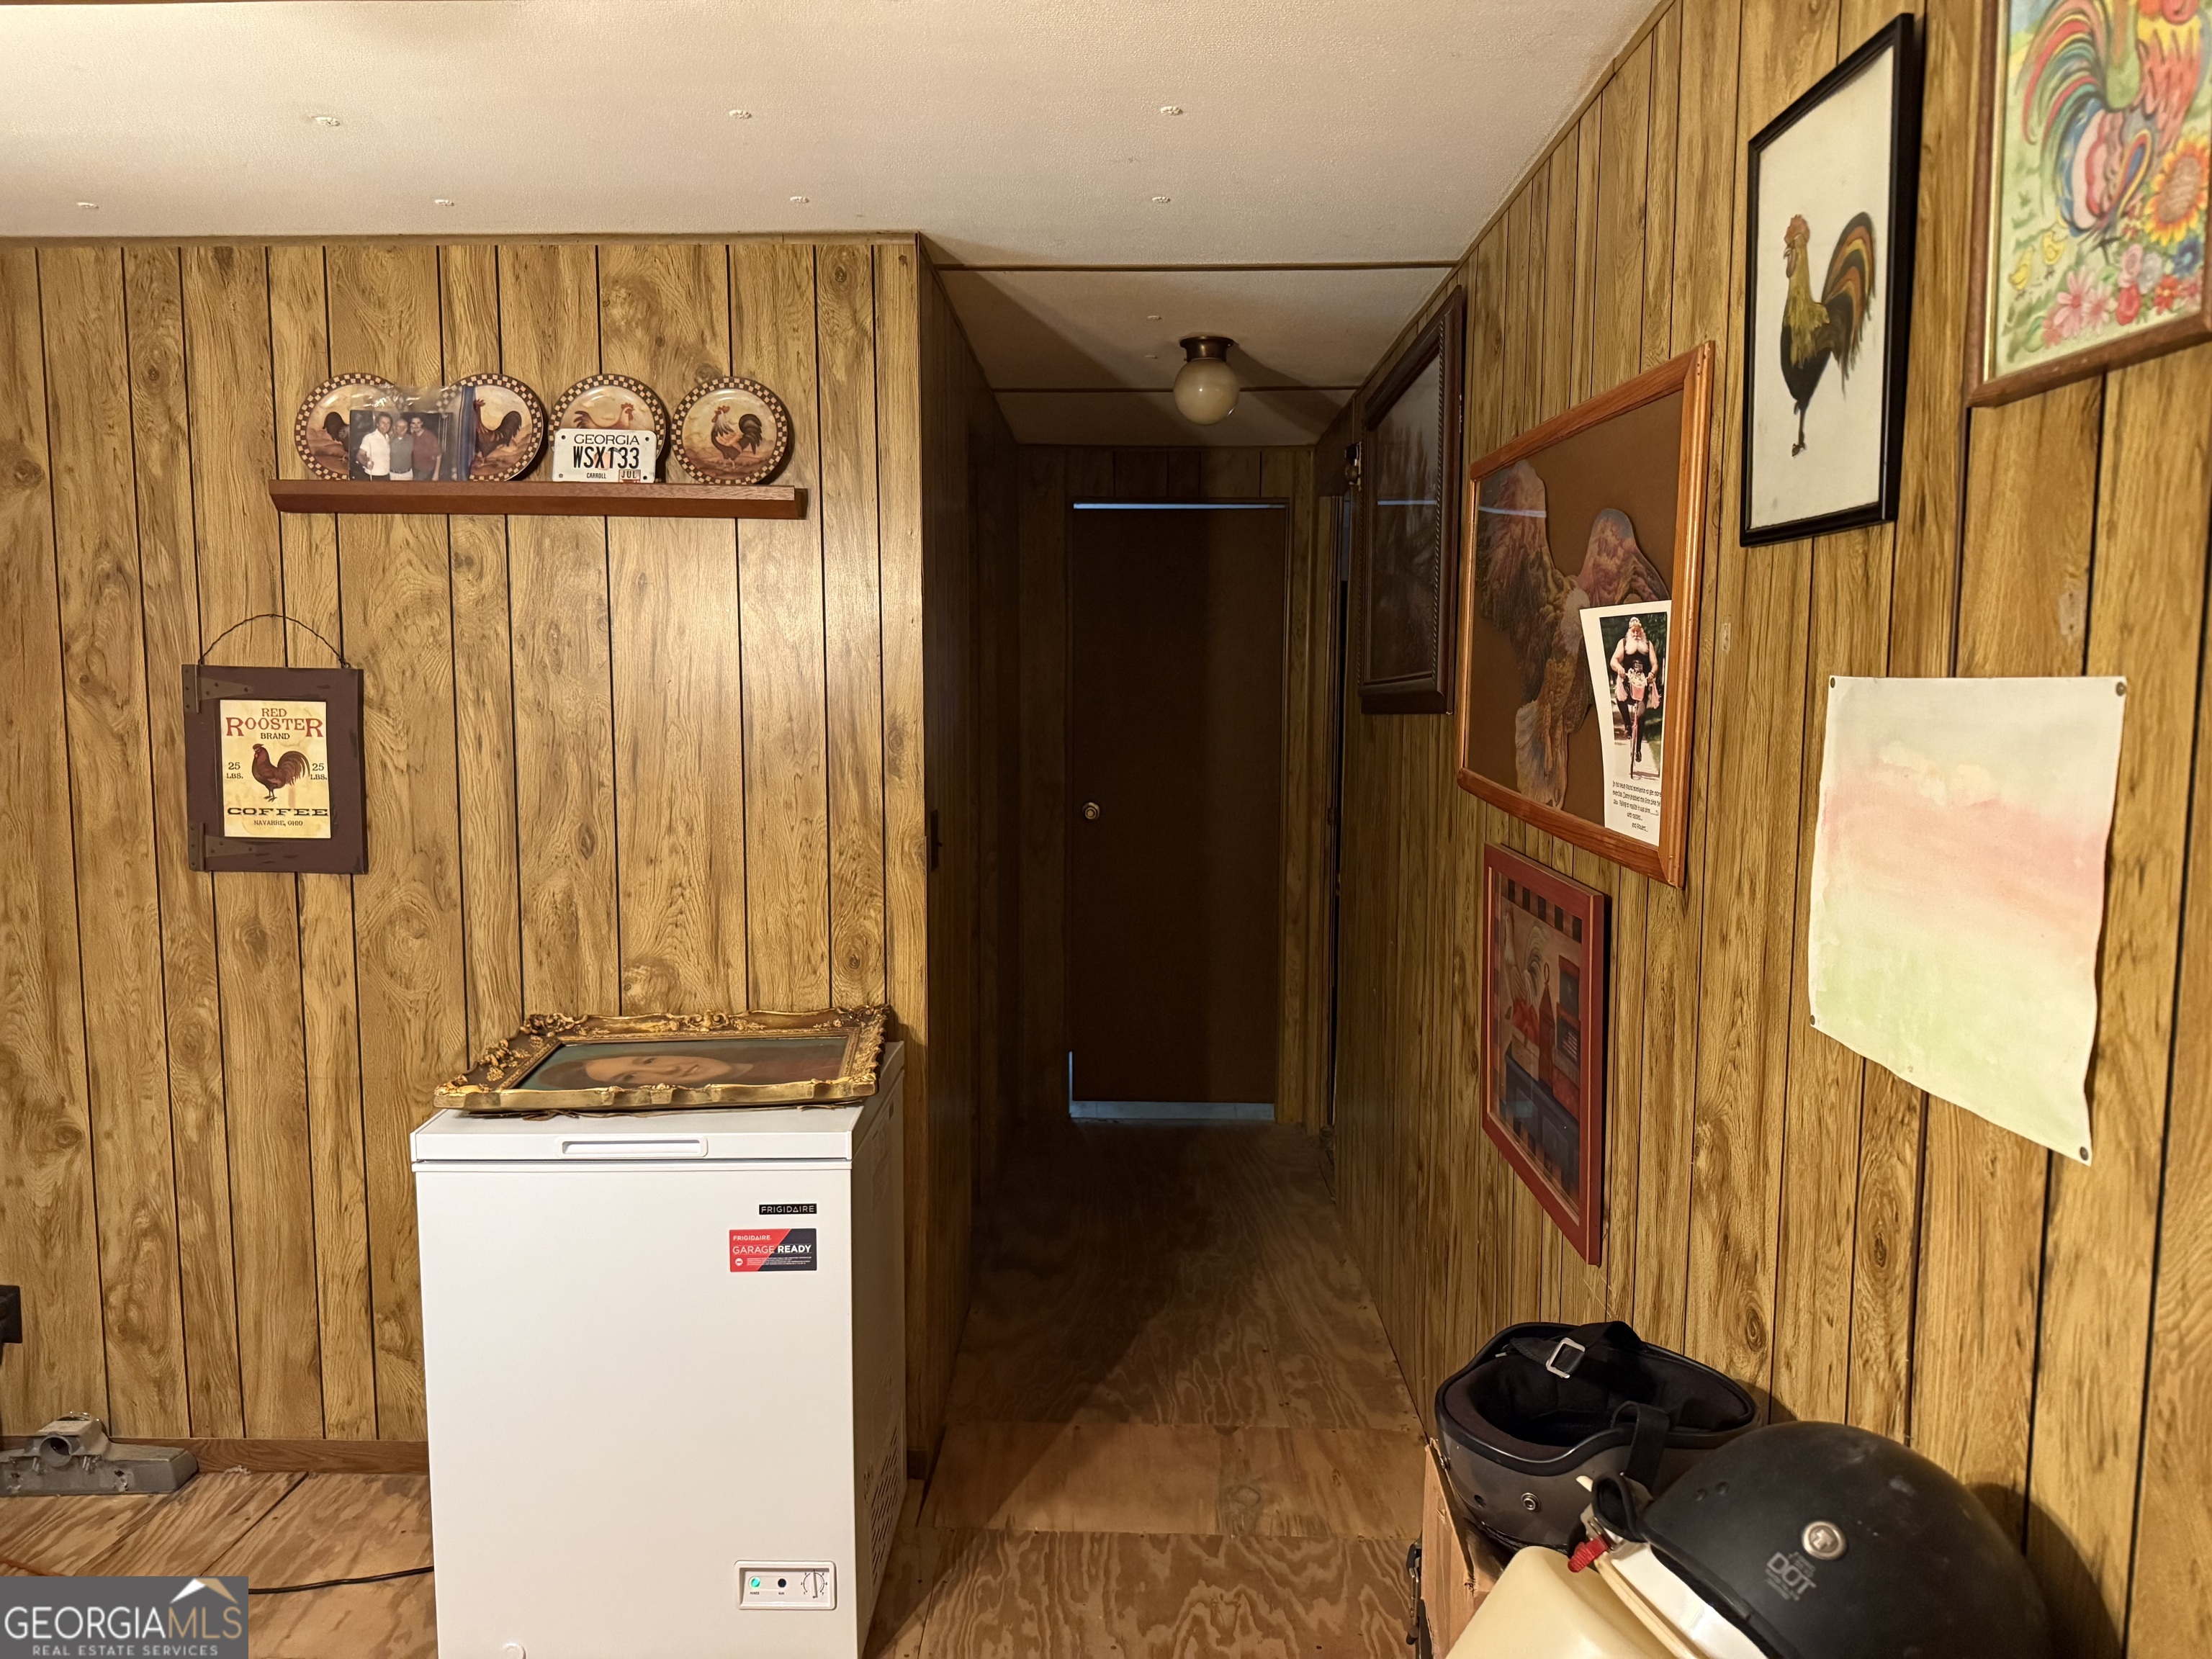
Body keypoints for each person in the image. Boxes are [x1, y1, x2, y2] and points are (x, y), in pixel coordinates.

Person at [1609, 615, 1662, 772]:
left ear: (1642, 632)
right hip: (1627, 685)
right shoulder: (1624, 643)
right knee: (1620, 699)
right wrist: (1619, 669)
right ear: (1629, 632)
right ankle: (1627, 724)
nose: (1636, 634)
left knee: (1641, 715)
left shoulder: (1648, 644)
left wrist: (1652, 674)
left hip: (1642, 686)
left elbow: (1655, 664)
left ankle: (1638, 748)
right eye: (1634, 631)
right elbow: (1614, 660)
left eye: (1639, 631)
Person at [354, 411, 393, 480]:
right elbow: (359, 455)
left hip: (386, 475)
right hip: (373, 476)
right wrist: (366, 463)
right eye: (383, 423)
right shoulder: (369, 438)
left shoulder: (388, 437)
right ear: (378, 424)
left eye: (388, 423)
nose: (386, 426)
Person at [410, 413, 442, 482]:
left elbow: (439, 455)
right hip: (416, 469)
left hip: (427, 471)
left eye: (418, 423)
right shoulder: (413, 436)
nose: (416, 425)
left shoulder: (429, 436)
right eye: (414, 423)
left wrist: (436, 474)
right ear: (411, 425)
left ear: (422, 423)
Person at [387, 411, 413, 482]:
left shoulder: (411, 439)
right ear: (395, 428)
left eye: (405, 427)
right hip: (393, 475)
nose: (403, 429)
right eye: (400, 427)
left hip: (408, 474)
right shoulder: (388, 439)